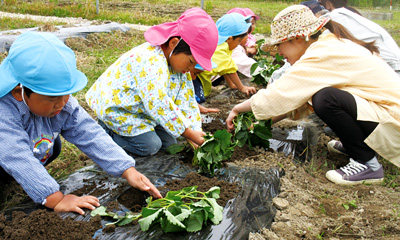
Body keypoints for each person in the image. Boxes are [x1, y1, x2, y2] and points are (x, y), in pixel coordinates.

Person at [226, 5, 400, 186]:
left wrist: (238, 108)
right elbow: (296, 100)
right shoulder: (326, 44)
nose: (279, 52)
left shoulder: (321, 53)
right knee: (322, 97)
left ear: (299, 39)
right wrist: (263, 122)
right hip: (383, 114)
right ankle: (358, 145)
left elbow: (282, 91)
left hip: (393, 121)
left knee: (325, 99)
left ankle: (367, 163)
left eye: (279, 44)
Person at [0, 32, 162, 215]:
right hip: (5, 149)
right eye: (53, 97)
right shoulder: (3, 112)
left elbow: (88, 132)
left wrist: (127, 169)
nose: (62, 103)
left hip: (18, 148)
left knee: (53, 146)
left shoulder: (60, 104)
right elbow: (16, 156)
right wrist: (56, 199)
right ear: (18, 91)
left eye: (66, 94)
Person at [85, 8, 218, 157]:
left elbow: (186, 101)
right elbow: (158, 102)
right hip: (118, 110)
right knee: (150, 146)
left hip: (141, 112)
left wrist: (194, 129)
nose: (191, 69)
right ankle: (105, 133)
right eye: (192, 62)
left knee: (170, 144)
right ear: (174, 43)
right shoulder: (150, 61)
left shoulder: (180, 67)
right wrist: (187, 132)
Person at [197, 13, 257, 99]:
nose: (238, 44)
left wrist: (231, 85)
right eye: (239, 41)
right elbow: (230, 69)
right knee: (198, 99)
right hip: (196, 80)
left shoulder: (222, 44)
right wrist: (242, 87)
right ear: (229, 38)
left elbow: (224, 69)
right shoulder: (219, 48)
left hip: (201, 80)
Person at [227, 8, 262, 79]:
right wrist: (264, 71)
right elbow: (246, 64)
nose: (247, 37)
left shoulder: (232, 44)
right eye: (246, 34)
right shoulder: (235, 48)